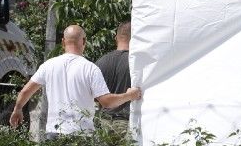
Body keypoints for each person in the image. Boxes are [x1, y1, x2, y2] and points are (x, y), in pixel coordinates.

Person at [10, 25, 142, 136]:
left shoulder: (48, 65)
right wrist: (129, 95)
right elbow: (107, 102)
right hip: (81, 134)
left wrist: (18, 109)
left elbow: (26, 91)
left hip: (54, 132)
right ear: (84, 41)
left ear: (62, 42)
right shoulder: (90, 68)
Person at [94, 21, 132, 119]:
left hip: (104, 123)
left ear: (116, 38)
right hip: (128, 122)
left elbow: (94, 97)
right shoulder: (137, 64)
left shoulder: (101, 61)